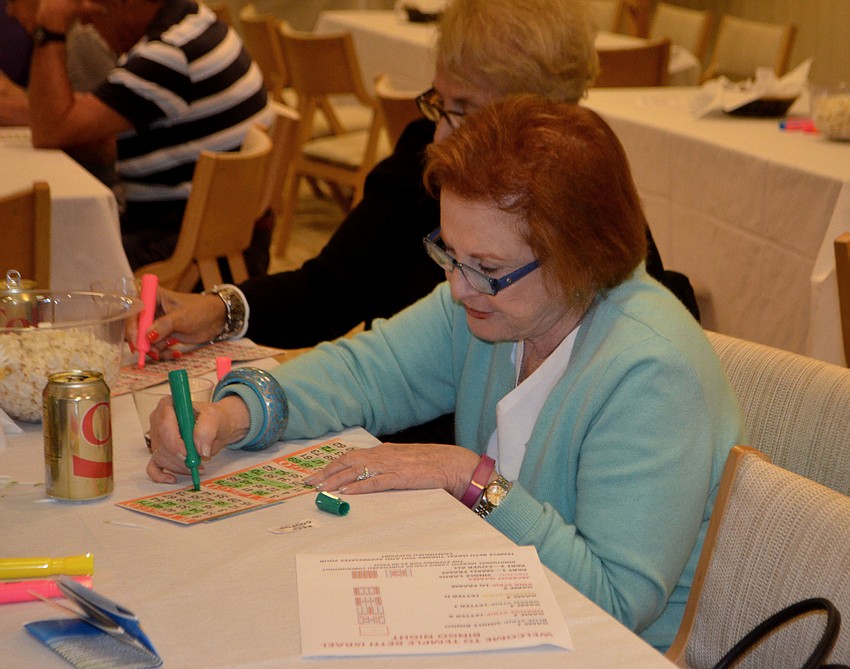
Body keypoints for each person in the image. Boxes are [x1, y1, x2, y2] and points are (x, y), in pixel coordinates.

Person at [145, 95, 745, 652]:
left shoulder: (651, 373)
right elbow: (365, 372)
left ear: (579, 257)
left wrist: (469, 478)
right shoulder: (498, 307)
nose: (458, 287)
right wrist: (231, 414)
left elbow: (614, 602)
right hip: (502, 600)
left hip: (607, 649)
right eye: (449, 253)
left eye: (487, 267)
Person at [129, 0, 696, 364]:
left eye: (466, 110)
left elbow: (649, 318)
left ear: (542, 119)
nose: (443, 133)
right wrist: (221, 309)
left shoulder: (582, 197)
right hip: (404, 422)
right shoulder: (423, 158)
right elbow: (334, 287)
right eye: (440, 102)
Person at [15, 0, 273, 272]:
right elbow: (68, 123)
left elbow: (49, 131)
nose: (86, 20)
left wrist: (51, 25)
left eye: (95, 6)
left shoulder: (169, 54)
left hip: (191, 252)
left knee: (36, 254)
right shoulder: (196, 23)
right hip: (223, 238)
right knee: (50, 235)